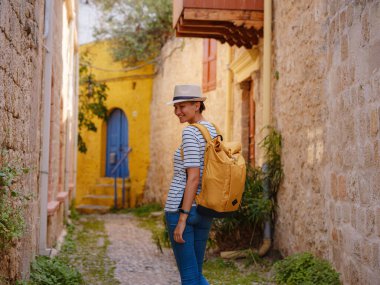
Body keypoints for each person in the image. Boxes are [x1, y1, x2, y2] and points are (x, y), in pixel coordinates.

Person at [164, 84, 217, 285]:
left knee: (189, 277)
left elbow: (193, 177)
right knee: (196, 275)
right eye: (175, 107)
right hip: (205, 209)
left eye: (182, 106)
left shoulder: (190, 133)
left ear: (197, 105)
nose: (177, 112)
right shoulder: (213, 130)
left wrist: (183, 218)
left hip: (181, 209)